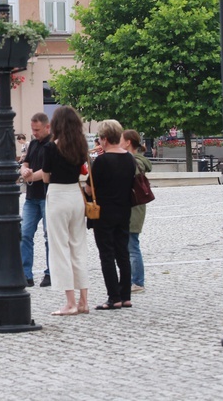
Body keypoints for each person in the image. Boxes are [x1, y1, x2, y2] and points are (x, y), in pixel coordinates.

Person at [41, 106, 90, 316]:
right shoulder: (81, 146)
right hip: (76, 196)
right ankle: (83, 301)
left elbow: (45, 176)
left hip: (58, 195)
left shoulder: (51, 148)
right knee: (78, 247)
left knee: (60, 248)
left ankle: (69, 302)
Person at [88, 120, 136, 310]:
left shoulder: (102, 160)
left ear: (105, 139)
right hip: (124, 210)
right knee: (122, 253)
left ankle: (113, 297)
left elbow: (90, 190)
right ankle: (126, 296)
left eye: (99, 138)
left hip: (104, 213)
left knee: (107, 255)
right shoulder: (129, 158)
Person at [18, 113, 51, 288]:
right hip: (31, 197)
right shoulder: (32, 144)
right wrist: (24, 170)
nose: (34, 133)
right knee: (25, 234)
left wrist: (30, 176)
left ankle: (50, 273)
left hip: (47, 195)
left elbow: (48, 171)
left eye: (37, 130)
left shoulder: (53, 145)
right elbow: (26, 163)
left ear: (47, 127)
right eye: (32, 129)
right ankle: (26, 274)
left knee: (49, 236)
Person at [121, 129, 152, 293]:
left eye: (121, 140)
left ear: (128, 143)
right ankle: (132, 280)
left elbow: (130, 173)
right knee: (128, 245)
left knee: (133, 245)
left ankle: (138, 282)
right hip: (130, 207)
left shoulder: (135, 161)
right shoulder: (132, 159)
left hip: (135, 207)